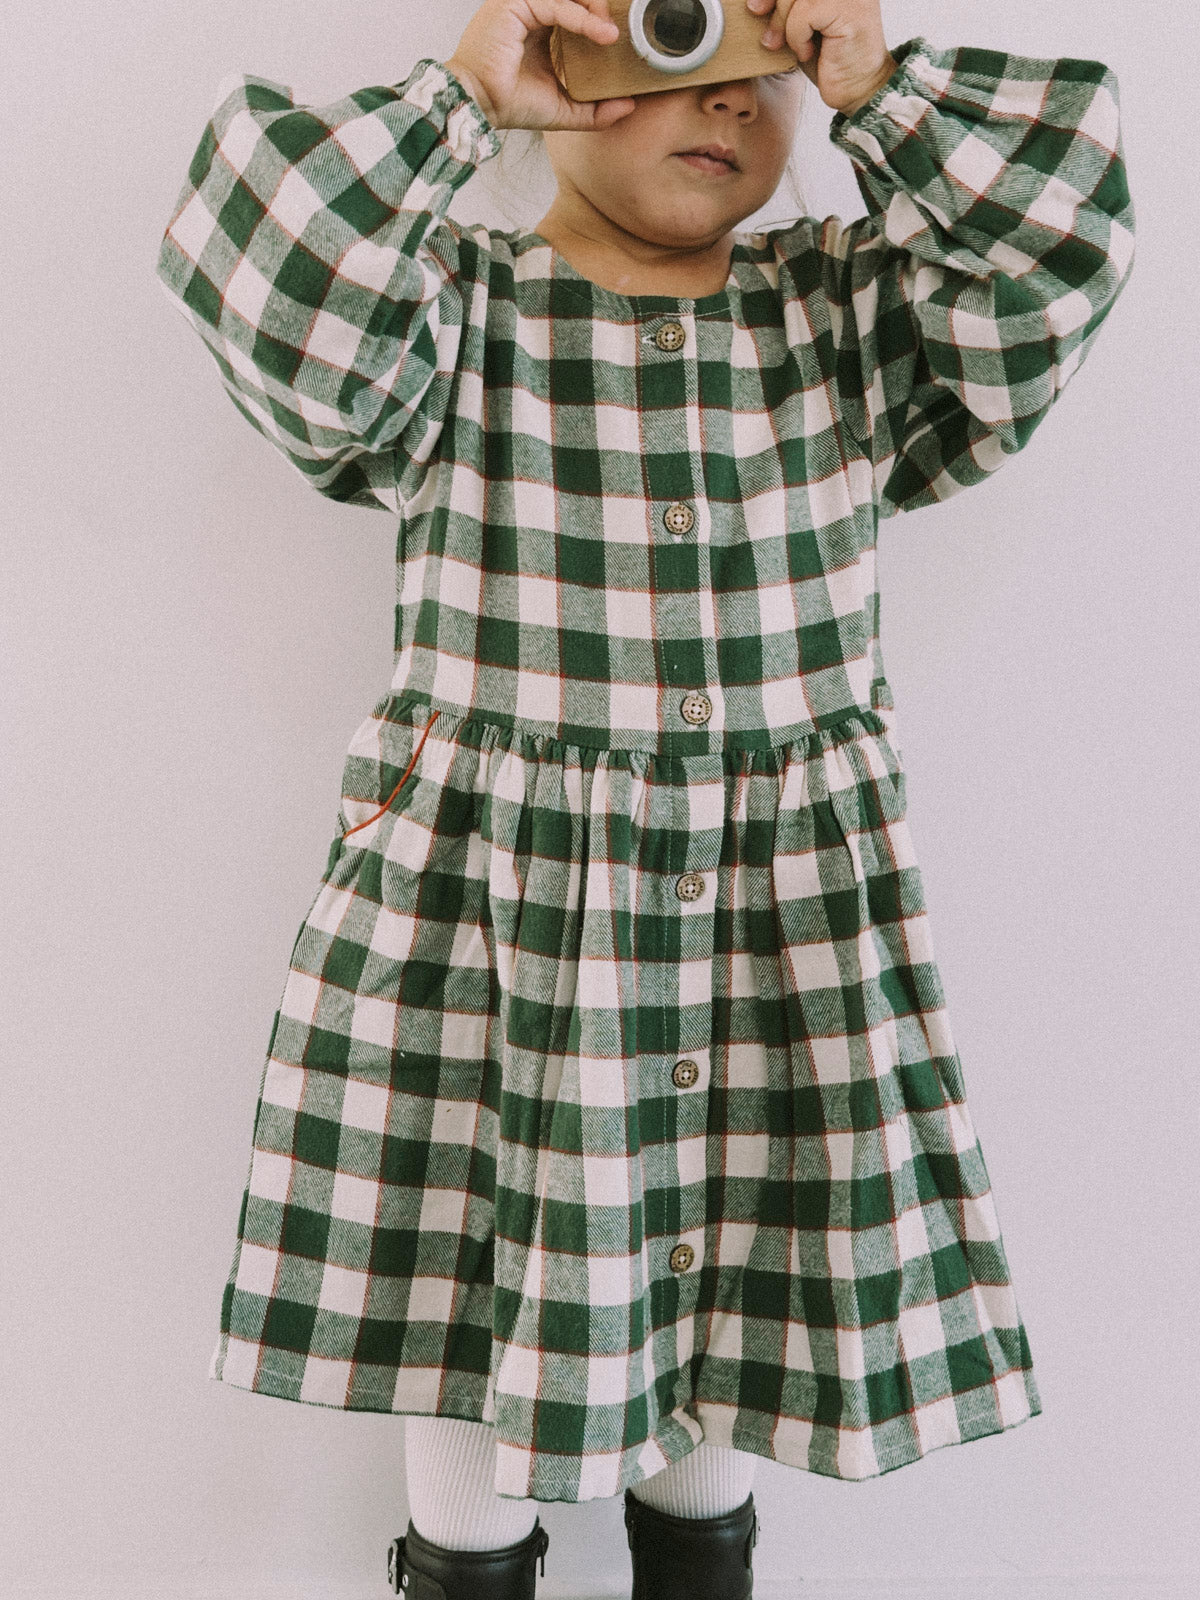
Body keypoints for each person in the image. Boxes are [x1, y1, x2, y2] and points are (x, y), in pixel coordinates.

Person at [155, 0, 1135, 1595]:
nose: (729, 104)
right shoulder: (454, 310)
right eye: (671, 51)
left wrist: (877, 88)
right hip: (501, 933)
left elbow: (1063, 245)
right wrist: (466, 96)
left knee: (728, 1270)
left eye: (763, 75)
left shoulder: (849, 311)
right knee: (476, 1292)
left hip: (769, 919)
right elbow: (261, 267)